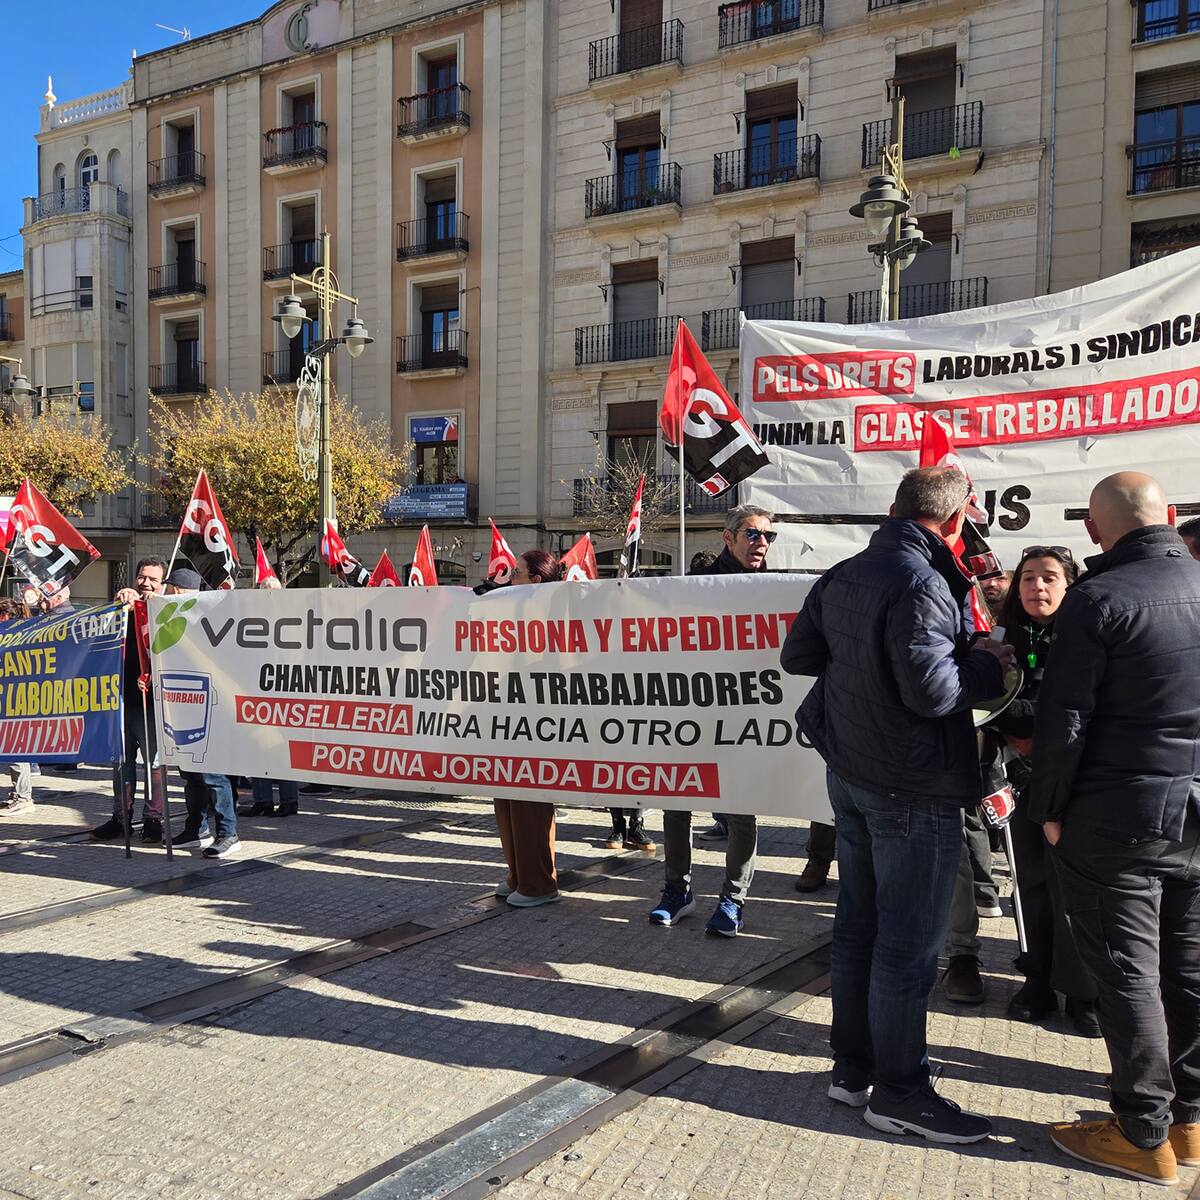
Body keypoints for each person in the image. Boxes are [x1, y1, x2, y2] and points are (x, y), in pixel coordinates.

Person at [782, 466, 1014, 1145]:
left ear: (893, 509)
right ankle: (901, 1092)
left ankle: (853, 1070)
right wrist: (988, 660)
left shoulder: (845, 572)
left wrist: (867, 669)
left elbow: (801, 656)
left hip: (852, 773)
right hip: (911, 784)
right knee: (907, 950)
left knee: (859, 928)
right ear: (956, 520)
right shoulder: (924, 581)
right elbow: (935, 694)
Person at [1030, 472, 1200, 1186]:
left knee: (1129, 974)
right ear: (1170, 515)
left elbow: (1063, 721)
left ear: (1095, 531)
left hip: (1117, 817)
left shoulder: (1098, 598)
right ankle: (1189, 1122)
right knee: (1188, 968)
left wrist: (1048, 811)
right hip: (1191, 813)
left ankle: (1142, 1132)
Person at [978, 546, 1099, 1037]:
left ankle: (1085, 990)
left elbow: (1078, 709)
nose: (1037, 587)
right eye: (1028, 577)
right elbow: (990, 703)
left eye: (1049, 577)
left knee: (1077, 888)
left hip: (1079, 782)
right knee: (1030, 882)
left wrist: (1025, 716)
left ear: (1070, 585)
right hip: (1021, 777)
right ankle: (1039, 979)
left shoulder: (1089, 633)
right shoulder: (1002, 637)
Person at [649, 505, 774, 937]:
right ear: (728, 537)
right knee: (676, 805)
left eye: (768, 536)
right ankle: (677, 891)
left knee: (740, 812)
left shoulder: (777, 590)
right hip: (691, 715)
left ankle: (733, 899)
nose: (762, 543)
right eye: (753, 534)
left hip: (744, 720)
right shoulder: (697, 586)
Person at [493, 549, 562, 908]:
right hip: (506, 715)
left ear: (535, 581)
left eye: (515, 573)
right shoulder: (512, 611)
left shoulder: (554, 616)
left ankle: (539, 882)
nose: (509, 577)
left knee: (529, 801)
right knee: (505, 799)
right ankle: (518, 873)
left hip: (535, 721)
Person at [160, 568, 242, 859]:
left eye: (170, 588)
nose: (166, 593)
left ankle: (228, 833)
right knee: (191, 774)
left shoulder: (209, 617)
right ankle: (196, 829)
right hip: (183, 706)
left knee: (213, 775)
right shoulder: (170, 618)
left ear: (179, 590)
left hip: (212, 708)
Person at [93, 557, 169, 843]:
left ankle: (153, 819)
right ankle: (120, 818)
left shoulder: (167, 611)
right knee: (121, 765)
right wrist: (119, 603)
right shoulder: (125, 607)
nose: (146, 583)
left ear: (162, 584)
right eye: (142, 577)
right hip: (121, 701)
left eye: (153, 579)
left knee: (153, 766)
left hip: (151, 705)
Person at [245, 574, 300, 819]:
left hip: (284, 693)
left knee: (282, 752)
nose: (267, 597)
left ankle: (289, 801)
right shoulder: (253, 620)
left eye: (271, 592)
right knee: (257, 749)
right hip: (257, 694)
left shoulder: (292, 621)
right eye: (263, 592)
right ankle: (263, 800)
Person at [0, 597, 35, 817]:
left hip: (14, 701)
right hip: (10, 699)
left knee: (15, 749)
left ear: (4, 616)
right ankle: (19, 794)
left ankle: (23, 797)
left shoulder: (15, 636)